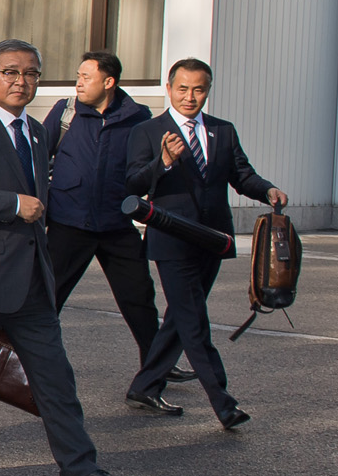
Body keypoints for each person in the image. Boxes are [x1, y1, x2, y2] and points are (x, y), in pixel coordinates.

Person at [0, 39, 144, 476]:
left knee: (56, 378)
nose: (21, 82)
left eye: (31, 74)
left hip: (32, 284)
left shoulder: (40, 133)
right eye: (10, 72)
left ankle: (79, 471)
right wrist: (11, 204)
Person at [123, 58, 287, 429]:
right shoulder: (148, 131)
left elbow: (242, 175)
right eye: (182, 88)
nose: (190, 97)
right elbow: (133, 183)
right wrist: (162, 162)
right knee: (194, 320)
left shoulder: (222, 132)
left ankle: (145, 386)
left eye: (199, 89)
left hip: (212, 239)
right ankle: (223, 403)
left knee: (183, 317)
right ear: (169, 88)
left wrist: (268, 190)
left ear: (208, 91)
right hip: (171, 239)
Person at [41, 51, 177, 380]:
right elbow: (38, 156)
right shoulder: (66, 112)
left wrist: (164, 163)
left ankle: (156, 364)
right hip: (68, 223)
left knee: (139, 297)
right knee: (47, 297)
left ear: (109, 82)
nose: (78, 82)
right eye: (79, 75)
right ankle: (25, 362)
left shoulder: (138, 118)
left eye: (86, 77)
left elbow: (145, 168)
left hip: (116, 223)